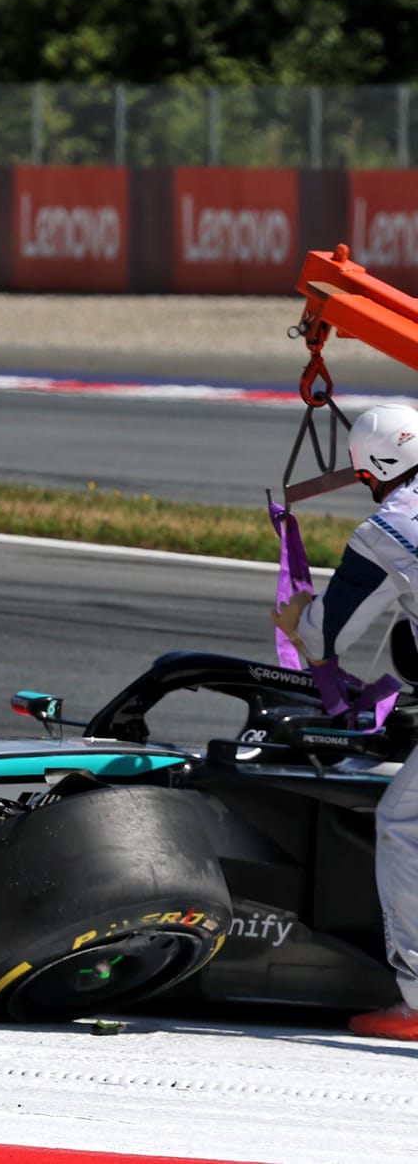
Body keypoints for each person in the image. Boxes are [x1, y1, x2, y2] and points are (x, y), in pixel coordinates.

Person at [274, 402, 418, 1041]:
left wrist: (298, 619)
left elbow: (327, 633)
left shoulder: (388, 528)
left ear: (374, 469)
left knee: (403, 824)